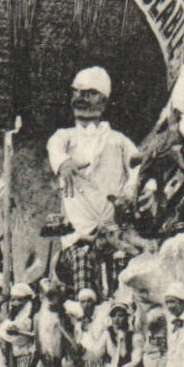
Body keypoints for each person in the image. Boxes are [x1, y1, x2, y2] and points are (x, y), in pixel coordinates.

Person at [47, 66, 139, 297]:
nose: (80, 98)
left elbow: (137, 167)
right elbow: (54, 147)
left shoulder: (118, 141)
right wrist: (64, 163)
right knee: (83, 276)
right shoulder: (65, 137)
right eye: (76, 92)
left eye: (88, 93)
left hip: (113, 233)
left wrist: (130, 192)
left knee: (128, 277)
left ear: (103, 101)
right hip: (78, 239)